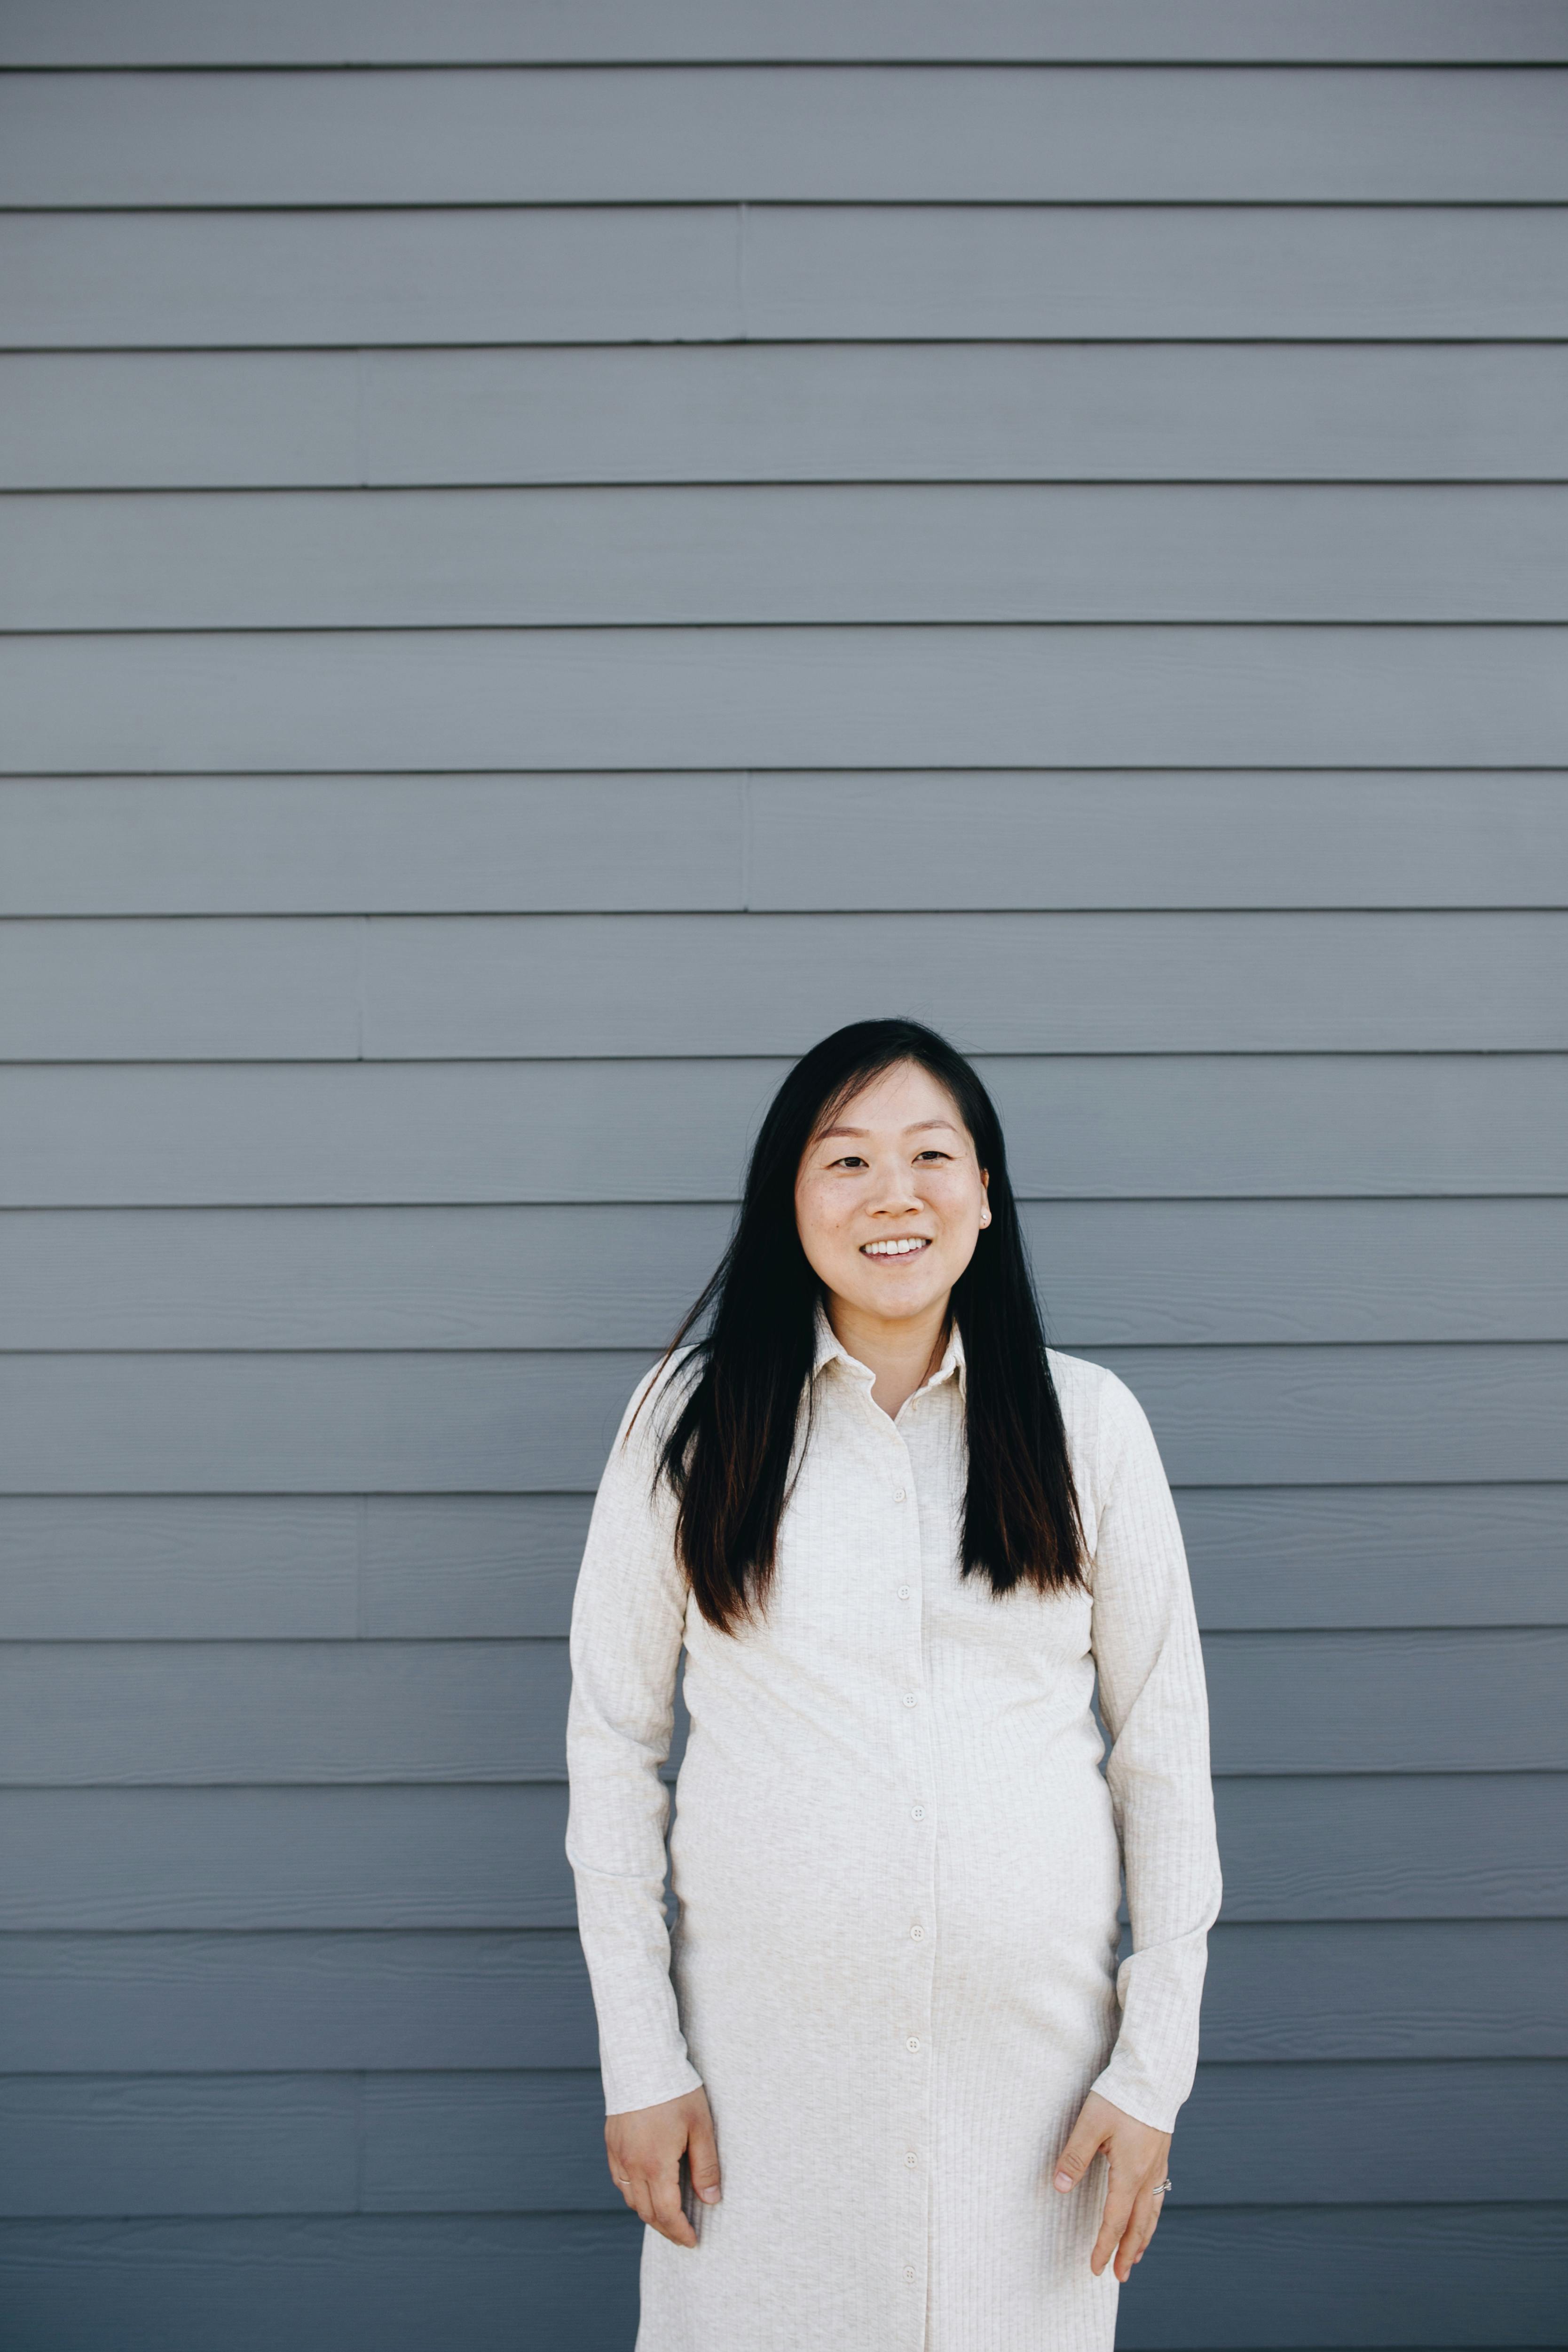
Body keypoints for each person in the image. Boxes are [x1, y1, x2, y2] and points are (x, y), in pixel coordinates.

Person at [565, 1018, 1222, 2352]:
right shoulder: (686, 1426)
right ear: (790, 1199)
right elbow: (614, 1743)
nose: (893, 1194)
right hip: (762, 2101)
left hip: (1036, 2107)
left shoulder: (1088, 1426)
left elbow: (1164, 1754)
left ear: (985, 1191)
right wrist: (643, 2060)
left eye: (932, 1154)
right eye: (846, 1159)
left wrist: (1153, 2072)